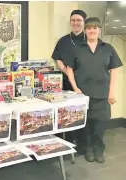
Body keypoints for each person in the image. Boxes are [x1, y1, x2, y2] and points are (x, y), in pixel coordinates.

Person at [64, 17, 123, 163]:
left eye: (94, 28)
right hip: (82, 95)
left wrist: (111, 92)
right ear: (85, 30)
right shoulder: (77, 49)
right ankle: (88, 149)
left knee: (100, 125)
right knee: (86, 125)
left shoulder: (108, 48)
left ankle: (98, 150)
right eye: (89, 28)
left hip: (102, 94)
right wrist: (75, 88)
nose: (91, 30)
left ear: (99, 30)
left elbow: (115, 71)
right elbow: (69, 69)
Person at [51, 9, 87, 152]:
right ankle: (66, 141)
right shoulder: (64, 40)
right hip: (66, 82)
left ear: (84, 22)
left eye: (79, 20)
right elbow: (58, 59)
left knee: (81, 112)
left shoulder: (89, 39)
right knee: (66, 112)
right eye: (73, 20)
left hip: (84, 82)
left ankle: (82, 142)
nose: (75, 23)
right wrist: (68, 73)